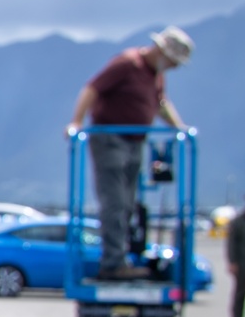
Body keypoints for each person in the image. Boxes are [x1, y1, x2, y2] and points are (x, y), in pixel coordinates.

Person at [68, 27, 193, 279]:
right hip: (110, 138)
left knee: (127, 203)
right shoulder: (127, 63)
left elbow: (160, 103)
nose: (173, 68)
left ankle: (121, 257)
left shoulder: (155, 75)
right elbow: (92, 88)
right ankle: (113, 264)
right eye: (172, 62)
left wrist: (179, 128)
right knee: (114, 202)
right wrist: (77, 122)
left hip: (136, 141)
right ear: (161, 51)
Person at [228, 198, 244, 317]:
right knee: (239, 295)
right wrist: (232, 262)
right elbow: (231, 244)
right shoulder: (238, 222)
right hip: (242, 264)